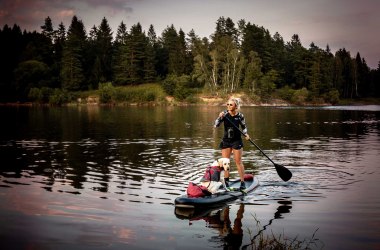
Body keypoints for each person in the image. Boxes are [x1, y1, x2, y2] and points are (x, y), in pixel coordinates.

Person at [214, 97, 250, 190]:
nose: (228, 106)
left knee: (238, 162)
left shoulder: (240, 116)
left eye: (231, 104)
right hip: (226, 140)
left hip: (237, 141)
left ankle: (242, 182)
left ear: (236, 106)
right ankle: (226, 182)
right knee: (225, 162)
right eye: (227, 104)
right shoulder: (224, 114)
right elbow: (216, 125)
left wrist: (246, 134)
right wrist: (220, 117)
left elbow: (244, 127)